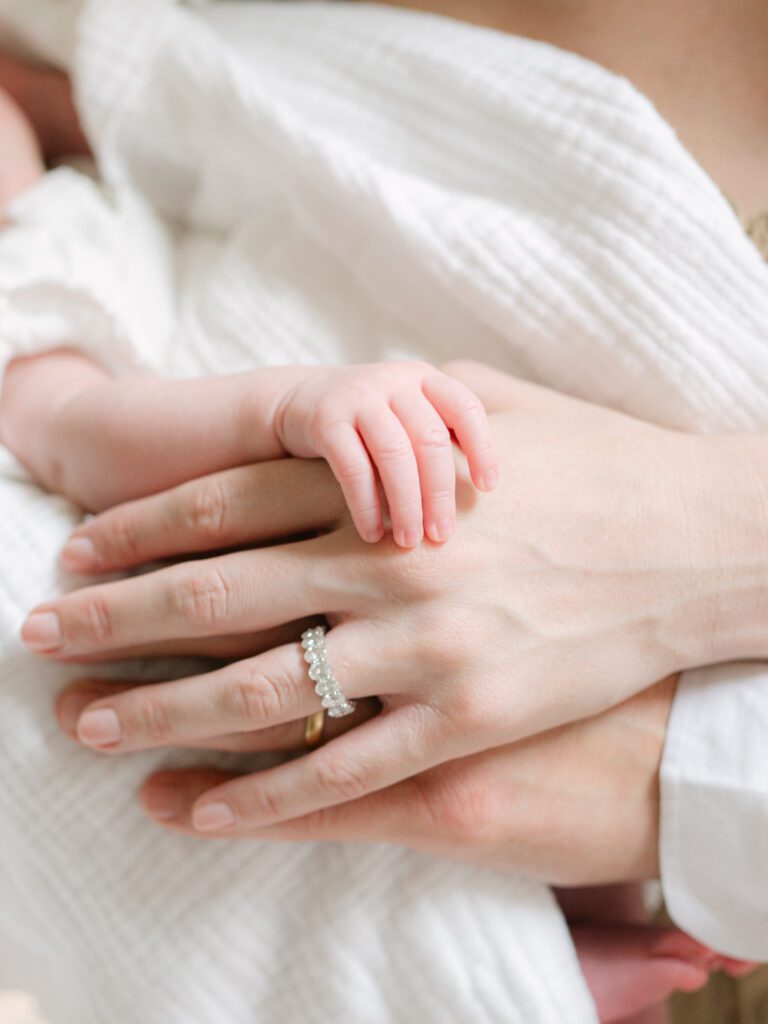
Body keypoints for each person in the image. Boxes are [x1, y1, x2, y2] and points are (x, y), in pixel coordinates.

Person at [1, 1, 767, 1022]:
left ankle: (490, 960)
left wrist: (281, 406)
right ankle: (480, 971)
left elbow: (82, 421)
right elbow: (64, 428)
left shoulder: (56, 244)